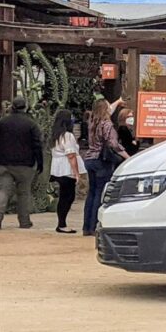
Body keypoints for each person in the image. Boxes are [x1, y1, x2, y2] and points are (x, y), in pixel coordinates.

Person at [81, 99, 130, 236]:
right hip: (102, 160)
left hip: (90, 158)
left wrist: (118, 101)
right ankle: (95, 225)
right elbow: (113, 144)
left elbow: (110, 108)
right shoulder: (107, 124)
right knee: (100, 192)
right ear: (105, 110)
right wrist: (128, 157)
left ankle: (87, 226)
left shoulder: (91, 122)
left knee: (91, 193)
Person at [0, 96, 43, 230]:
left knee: (3, 191)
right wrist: (40, 163)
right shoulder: (31, 124)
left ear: (12, 106)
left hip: (4, 163)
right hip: (25, 164)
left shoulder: (2, 122)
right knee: (23, 193)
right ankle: (24, 221)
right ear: (25, 107)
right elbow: (37, 145)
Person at [49, 109, 82, 234]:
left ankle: (61, 222)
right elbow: (71, 155)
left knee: (64, 195)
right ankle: (62, 224)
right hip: (66, 168)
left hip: (57, 168)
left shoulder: (56, 135)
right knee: (68, 196)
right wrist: (76, 173)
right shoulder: (67, 136)